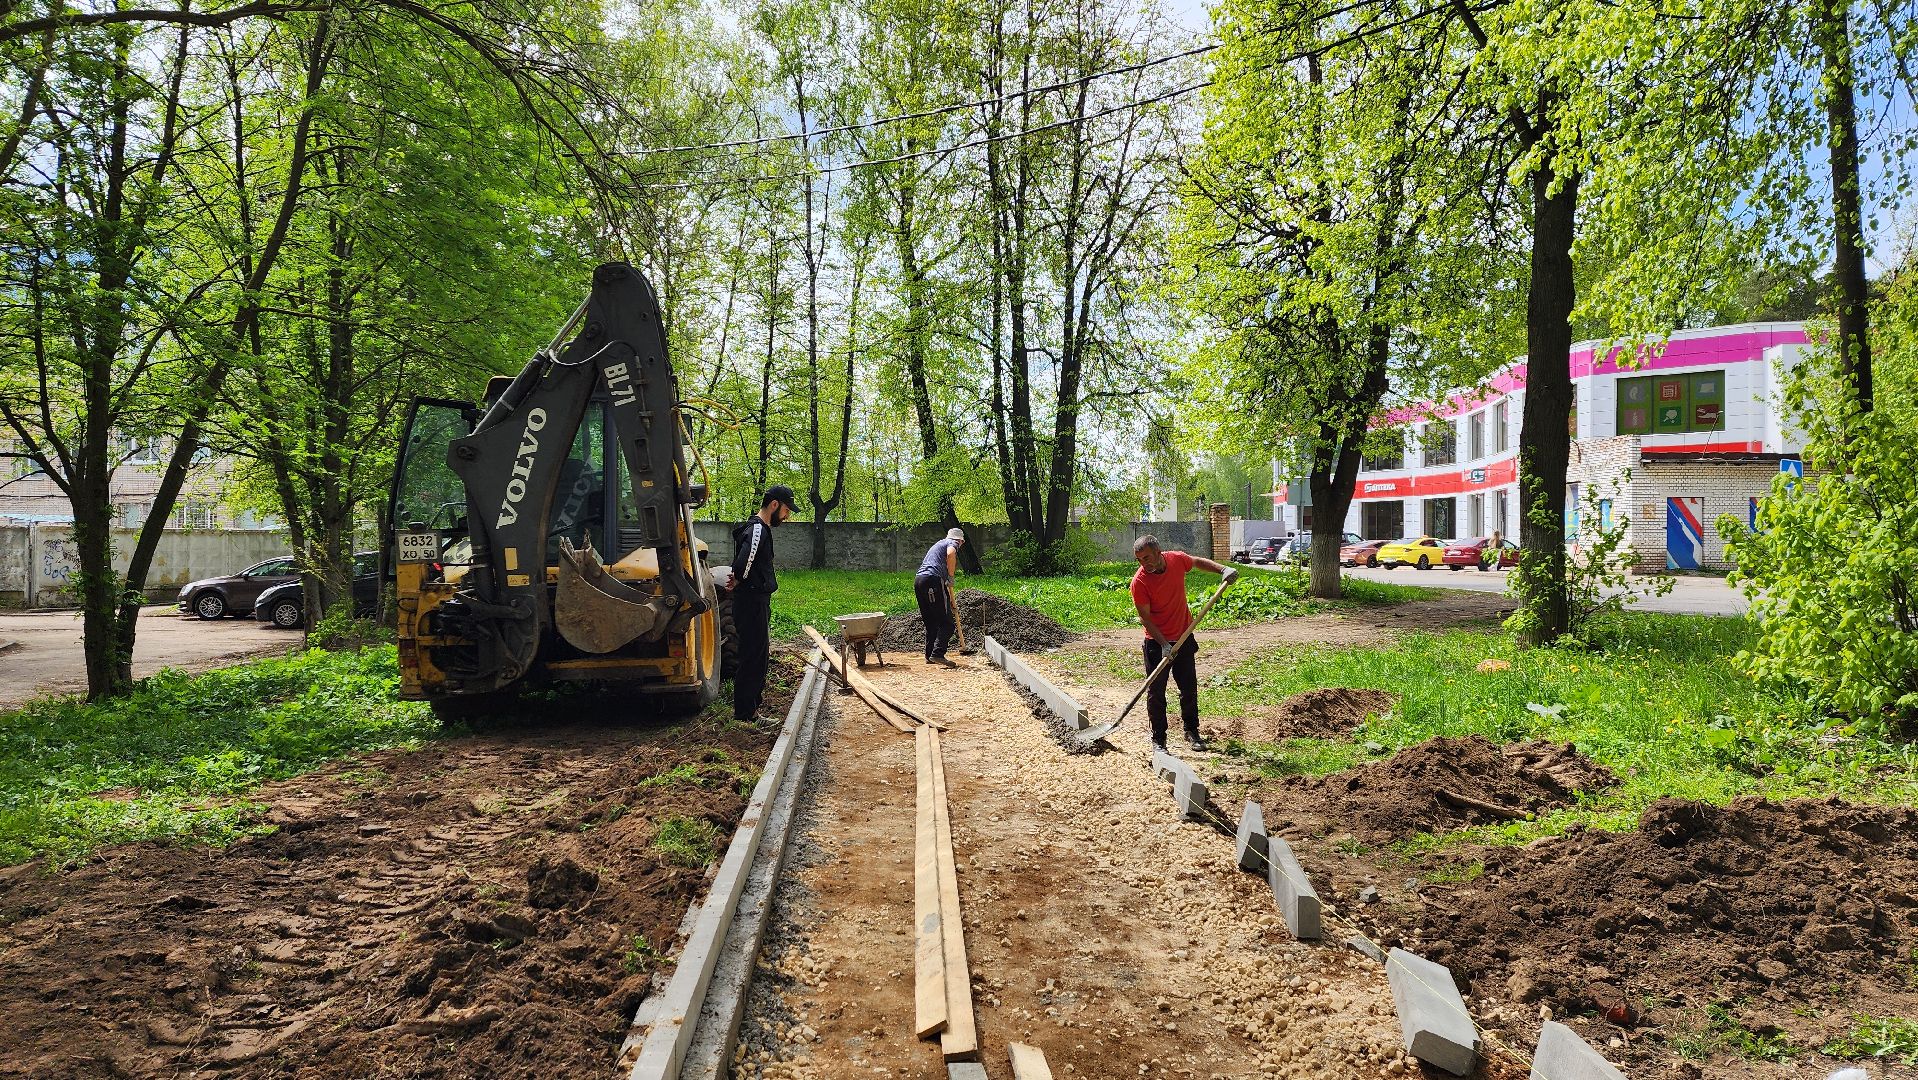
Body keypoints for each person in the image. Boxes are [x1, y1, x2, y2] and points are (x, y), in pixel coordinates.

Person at [1130, 535, 1235, 752]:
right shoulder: (1139, 582)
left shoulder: (1177, 560)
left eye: (1147, 557)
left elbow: (1196, 562)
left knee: (1188, 688)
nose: (1144, 563)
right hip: (1156, 643)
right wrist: (1164, 645)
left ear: (1159, 552)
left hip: (1184, 635)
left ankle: (1191, 731)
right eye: (1140, 560)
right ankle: (1159, 739)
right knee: (1156, 692)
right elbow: (1145, 619)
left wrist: (1222, 569)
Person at [728, 484, 796, 723]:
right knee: (752, 656)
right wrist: (739, 579)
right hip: (751, 602)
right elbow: (743, 565)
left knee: (758, 655)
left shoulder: (760, 529)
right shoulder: (757, 530)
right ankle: (745, 714)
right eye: (786, 510)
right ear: (774, 505)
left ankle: (751, 710)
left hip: (756, 601)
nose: (786, 517)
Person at [914, 527, 966, 665]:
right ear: (960, 540)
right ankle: (937, 654)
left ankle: (930, 655)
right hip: (933, 580)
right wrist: (951, 576)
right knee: (947, 623)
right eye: (961, 543)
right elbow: (951, 554)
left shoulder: (939, 544)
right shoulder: (952, 543)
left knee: (931, 622)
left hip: (919, 580)